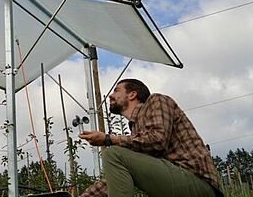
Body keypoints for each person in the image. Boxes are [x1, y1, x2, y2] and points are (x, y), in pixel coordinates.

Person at [79, 79, 222, 197]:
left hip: (198, 183)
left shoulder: (157, 101)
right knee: (115, 156)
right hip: (178, 184)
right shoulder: (136, 132)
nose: (111, 95)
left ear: (132, 94)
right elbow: (114, 180)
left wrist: (108, 139)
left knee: (112, 153)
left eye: (117, 90)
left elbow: (158, 140)